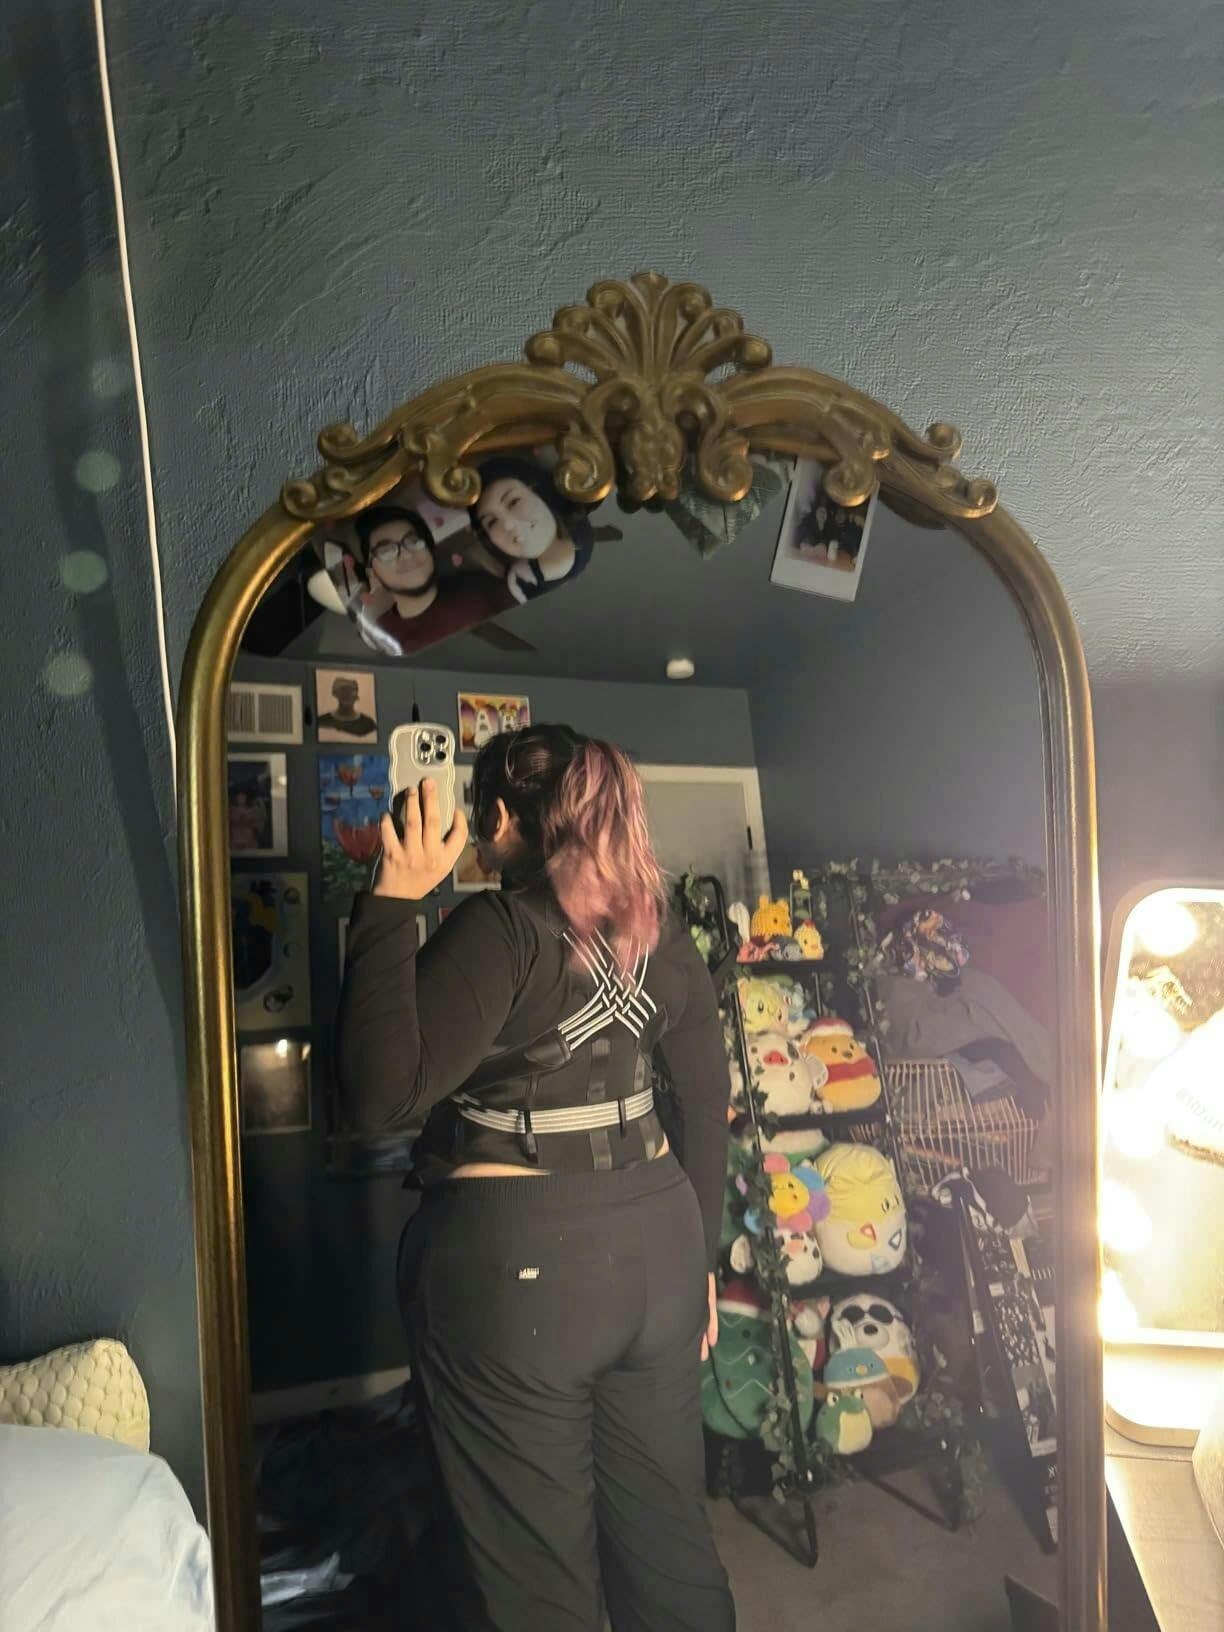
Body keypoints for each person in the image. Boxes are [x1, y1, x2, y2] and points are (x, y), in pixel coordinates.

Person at [336, 724, 736, 1632]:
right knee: (670, 1551)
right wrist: (702, 1264)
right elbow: (705, 1092)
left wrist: (392, 903)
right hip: (661, 1255)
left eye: (482, 816)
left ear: (502, 819)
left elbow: (377, 1099)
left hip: (521, 1278)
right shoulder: (659, 929)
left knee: (537, 1588)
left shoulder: (501, 927)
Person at [349, 504, 515, 655]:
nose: (407, 555)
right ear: (373, 572)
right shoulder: (379, 634)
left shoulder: (481, 587)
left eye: (414, 541)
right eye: (386, 551)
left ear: (429, 549)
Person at [473, 456, 595, 603]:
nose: (508, 525)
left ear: (542, 494)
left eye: (514, 502)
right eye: (492, 522)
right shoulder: (516, 582)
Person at [316, 675, 377, 740]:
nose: (347, 694)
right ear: (335, 693)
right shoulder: (322, 721)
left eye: (351, 690)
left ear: (356, 695)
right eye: (343, 690)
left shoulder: (368, 724)